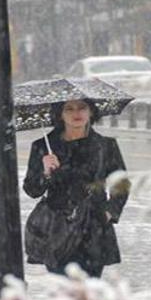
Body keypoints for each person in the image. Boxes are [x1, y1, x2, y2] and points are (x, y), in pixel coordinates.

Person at [23, 99, 130, 278]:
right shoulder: (43, 146)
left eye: (82, 108)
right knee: (64, 291)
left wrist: (110, 211)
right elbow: (32, 190)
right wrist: (46, 173)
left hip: (94, 227)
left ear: (91, 112)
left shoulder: (105, 145)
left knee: (89, 291)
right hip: (58, 227)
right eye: (69, 109)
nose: (76, 113)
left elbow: (121, 183)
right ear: (60, 114)